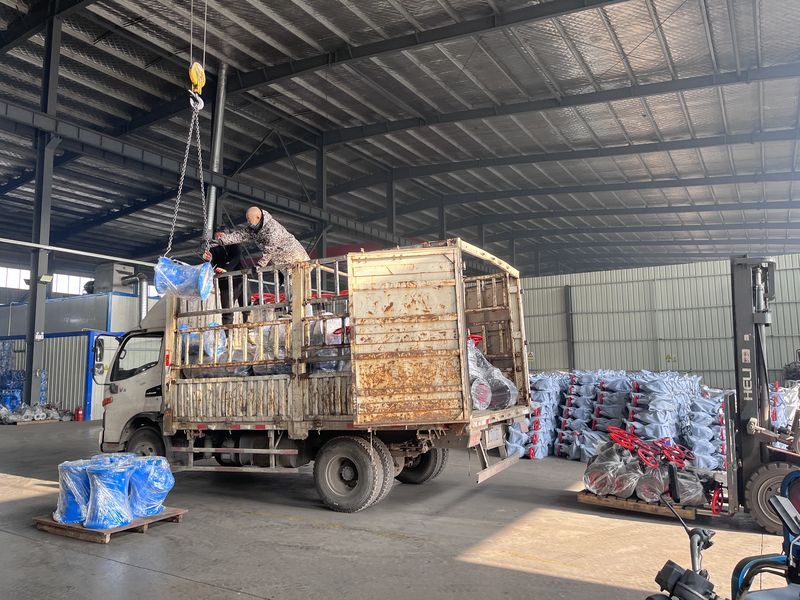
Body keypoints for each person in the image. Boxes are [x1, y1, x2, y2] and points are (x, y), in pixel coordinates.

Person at [214, 207, 310, 268]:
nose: (248, 223)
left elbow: (270, 249)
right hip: (283, 262)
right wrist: (221, 241)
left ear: (258, 218)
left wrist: (260, 265)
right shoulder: (255, 227)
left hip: (297, 259)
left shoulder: (272, 228)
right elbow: (240, 235)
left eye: (250, 221)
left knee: (299, 287)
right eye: (247, 220)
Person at [205, 234, 248, 326]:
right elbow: (211, 263)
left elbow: (236, 257)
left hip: (239, 279)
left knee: (246, 306)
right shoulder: (213, 249)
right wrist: (208, 259)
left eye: (221, 235)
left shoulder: (235, 244)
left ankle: (248, 327)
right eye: (217, 236)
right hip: (224, 283)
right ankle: (227, 332)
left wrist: (226, 269)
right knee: (226, 311)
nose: (219, 238)